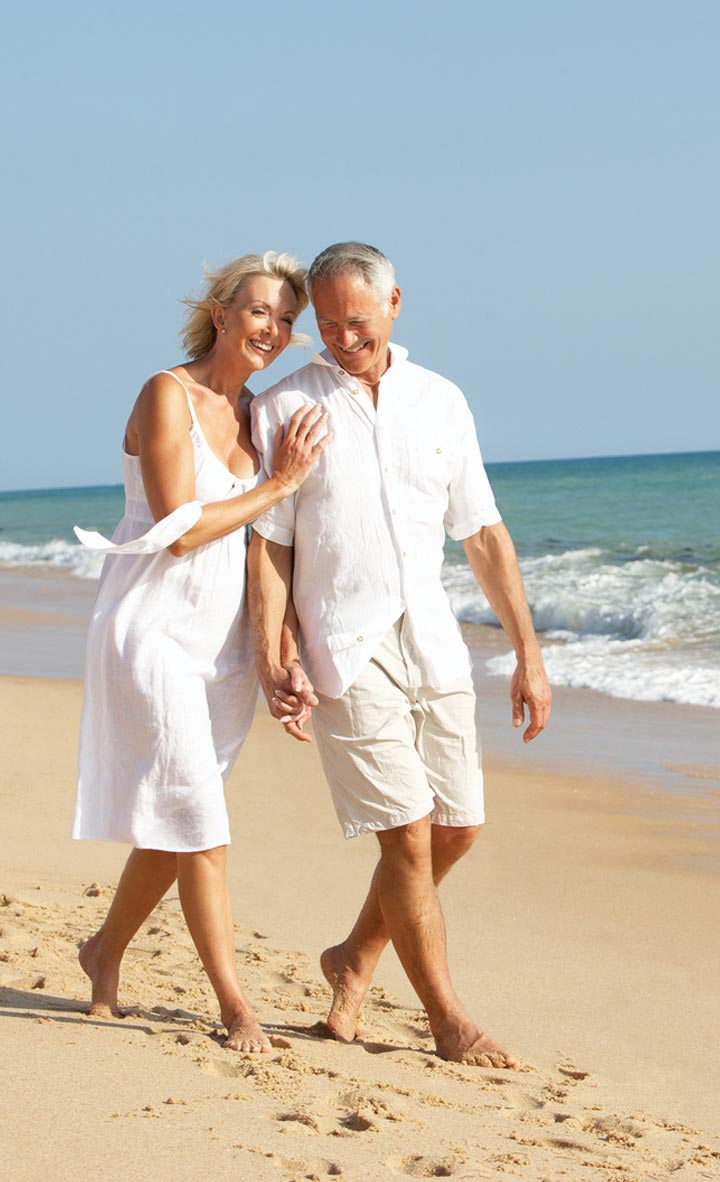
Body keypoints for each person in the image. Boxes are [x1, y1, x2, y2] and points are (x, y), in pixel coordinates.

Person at [248, 241, 551, 1067]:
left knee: (457, 828)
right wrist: (276, 647)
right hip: (343, 645)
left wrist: (528, 651)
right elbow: (269, 544)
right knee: (407, 836)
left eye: (358, 321)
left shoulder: (442, 401)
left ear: (394, 304)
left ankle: (354, 956)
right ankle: (448, 1020)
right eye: (329, 325)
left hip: (434, 641)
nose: (344, 338)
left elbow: (483, 533)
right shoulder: (282, 407)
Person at [72, 251, 329, 1053]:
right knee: (204, 825)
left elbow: (261, 552)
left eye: (288, 320)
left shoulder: (260, 415)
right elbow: (180, 530)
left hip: (221, 650)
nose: (275, 330)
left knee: (175, 819)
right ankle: (234, 1005)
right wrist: (279, 486)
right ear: (221, 313)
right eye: (260, 312)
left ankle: (103, 952)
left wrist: (275, 649)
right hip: (150, 632)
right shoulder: (165, 394)